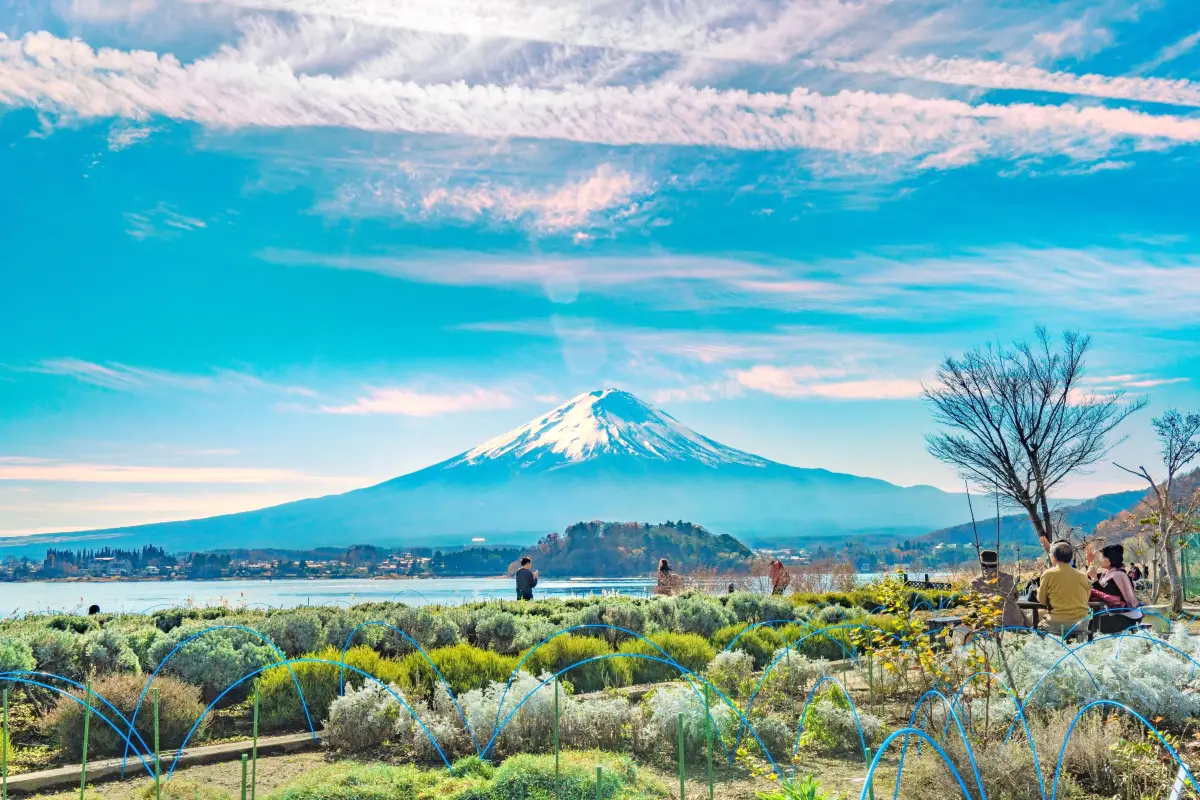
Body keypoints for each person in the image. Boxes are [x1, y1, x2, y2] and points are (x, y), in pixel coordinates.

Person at [1037, 540, 1092, 639]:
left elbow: (1042, 600)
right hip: (1081, 623)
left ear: (1053, 557)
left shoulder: (1048, 574)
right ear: (1071, 558)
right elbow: (1087, 597)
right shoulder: (1083, 575)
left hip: (1056, 623)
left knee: (1040, 626)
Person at [1086, 543, 1142, 634]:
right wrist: (1090, 561)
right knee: (1093, 622)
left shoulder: (1117, 575)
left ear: (1111, 559)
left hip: (1127, 617)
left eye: (1102, 557)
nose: (1100, 559)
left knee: (1092, 624)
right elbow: (1092, 577)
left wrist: (1094, 578)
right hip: (1119, 614)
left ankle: (1094, 645)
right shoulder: (1109, 573)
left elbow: (1103, 594)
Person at [970, 550, 1027, 628]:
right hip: (1014, 624)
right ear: (997, 564)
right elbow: (1016, 597)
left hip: (989, 626)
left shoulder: (976, 582)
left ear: (981, 564)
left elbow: (973, 604)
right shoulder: (1008, 578)